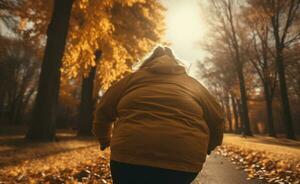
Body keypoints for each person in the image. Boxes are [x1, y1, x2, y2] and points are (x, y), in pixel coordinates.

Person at [92, 45, 224, 184]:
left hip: (129, 156)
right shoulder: (193, 85)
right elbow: (217, 119)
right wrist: (208, 147)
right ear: (177, 63)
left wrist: (104, 139)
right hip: (182, 160)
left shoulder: (131, 80)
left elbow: (103, 111)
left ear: (148, 62)